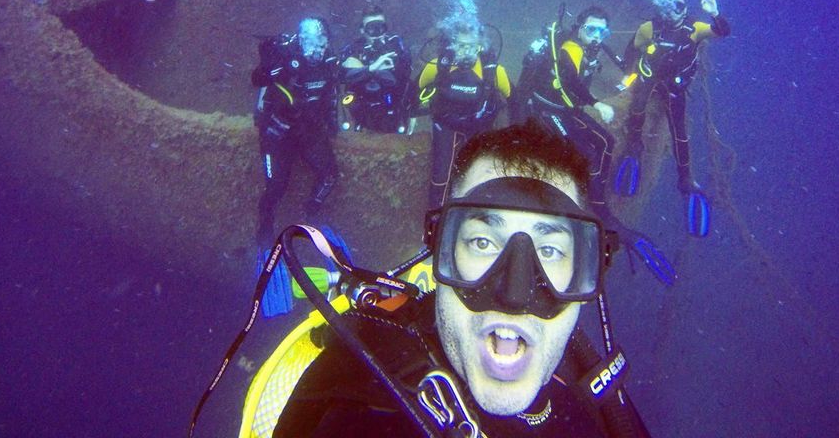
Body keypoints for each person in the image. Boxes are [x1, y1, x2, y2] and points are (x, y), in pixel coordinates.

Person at [272, 120, 652, 437]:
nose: (514, 295)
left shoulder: (583, 379)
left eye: (550, 251)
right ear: (440, 250)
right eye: (483, 242)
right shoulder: (365, 408)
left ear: (588, 270)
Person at [620, 0, 730, 237]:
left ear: (684, 8)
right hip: (652, 80)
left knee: (679, 132)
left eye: (677, 9)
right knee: (637, 107)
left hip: (675, 87)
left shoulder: (695, 28)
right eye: (667, 11)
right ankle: (634, 146)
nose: (672, 16)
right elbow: (634, 48)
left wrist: (714, 13)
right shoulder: (651, 28)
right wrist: (630, 75)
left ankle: (685, 178)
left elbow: (723, 31)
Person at [516, 6, 617, 212]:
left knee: (607, 141)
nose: (597, 36)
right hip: (549, 109)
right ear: (579, 28)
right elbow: (571, 79)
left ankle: (597, 194)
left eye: (602, 32)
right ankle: (595, 207)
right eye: (591, 30)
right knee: (586, 154)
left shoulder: (591, 47)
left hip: (568, 108)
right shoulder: (571, 47)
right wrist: (597, 103)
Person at [251, 17, 340, 242]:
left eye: (322, 43)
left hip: (308, 131)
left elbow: (331, 94)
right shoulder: (285, 57)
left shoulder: (329, 62)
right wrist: (275, 71)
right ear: (300, 40)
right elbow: (257, 78)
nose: (317, 49)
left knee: (329, 175)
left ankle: (310, 216)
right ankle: (265, 224)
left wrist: (332, 122)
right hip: (278, 133)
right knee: (276, 186)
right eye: (311, 43)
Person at [414, 23, 511, 209]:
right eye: (460, 45)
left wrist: (514, 136)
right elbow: (413, 90)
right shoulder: (438, 67)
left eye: (472, 46)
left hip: (480, 125)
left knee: (481, 173)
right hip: (446, 123)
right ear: (451, 45)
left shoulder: (493, 71)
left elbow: (513, 99)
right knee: (441, 174)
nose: (466, 52)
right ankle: (437, 217)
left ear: (480, 47)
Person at [339, 4, 412, 134]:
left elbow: (401, 77)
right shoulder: (353, 49)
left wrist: (362, 69)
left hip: (391, 108)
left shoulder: (395, 46)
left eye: (381, 27)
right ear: (362, 30)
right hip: (360, 109)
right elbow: (343, 76)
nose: (377, 33)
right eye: (371, 29)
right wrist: (374, 67)